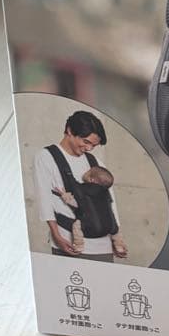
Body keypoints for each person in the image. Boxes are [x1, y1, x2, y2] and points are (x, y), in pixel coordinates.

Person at [33, 109, 128, 262]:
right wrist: (56, 236)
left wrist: (116, 241)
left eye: (93, 145)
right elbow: (44, 199)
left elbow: (110, 204)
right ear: (70, 131)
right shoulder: (46, 157)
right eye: (86, 142)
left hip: (103, 245)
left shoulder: (95, 163)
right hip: (71, 241)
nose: (89, 149)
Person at [51, 164, 128, 257]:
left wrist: (64, 195)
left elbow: (75, 203)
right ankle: (119, 245)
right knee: (116, 232)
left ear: (92, 180)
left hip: (90, 229)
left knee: (76, 225)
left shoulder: (83, 189)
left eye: (88, 172)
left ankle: (79, 245)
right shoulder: (106, 193)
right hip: (110, 227)